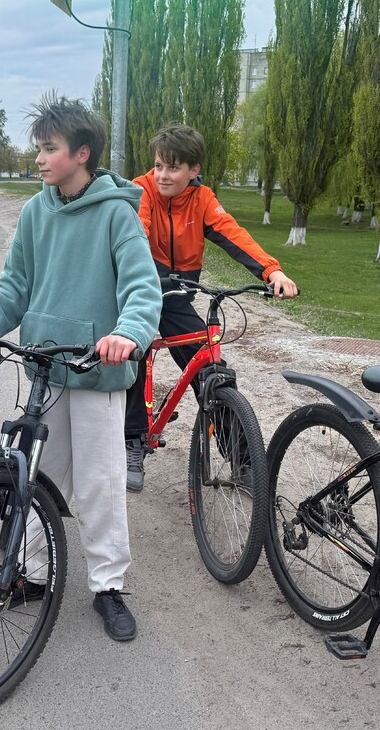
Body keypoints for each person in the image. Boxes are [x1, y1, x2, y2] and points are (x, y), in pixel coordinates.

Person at [0, 93, 161, 641]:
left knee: (99, 482)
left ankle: (108, 585)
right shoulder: (35, 212)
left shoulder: (117, 213)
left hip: (97, 369)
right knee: (36, 475)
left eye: (50, 149)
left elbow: (142, 288)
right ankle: (33, 573)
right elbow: (15, 284)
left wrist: (128, 333)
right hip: (46, 369)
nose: (40, 158)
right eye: (39, 148)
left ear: (82, 153)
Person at [123, 124, 299, 491]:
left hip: (177, 294)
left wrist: (273, 271)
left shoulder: (202, 199)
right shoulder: (142, 191)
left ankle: (241, 459)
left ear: (194, 171)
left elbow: (233, 234)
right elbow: (136, 237)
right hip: (139, 290)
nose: (162, 175)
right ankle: (132, 441)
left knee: (211, 370)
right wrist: (142, 280)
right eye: (158, 166)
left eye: (173, 168)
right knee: (133, 355)